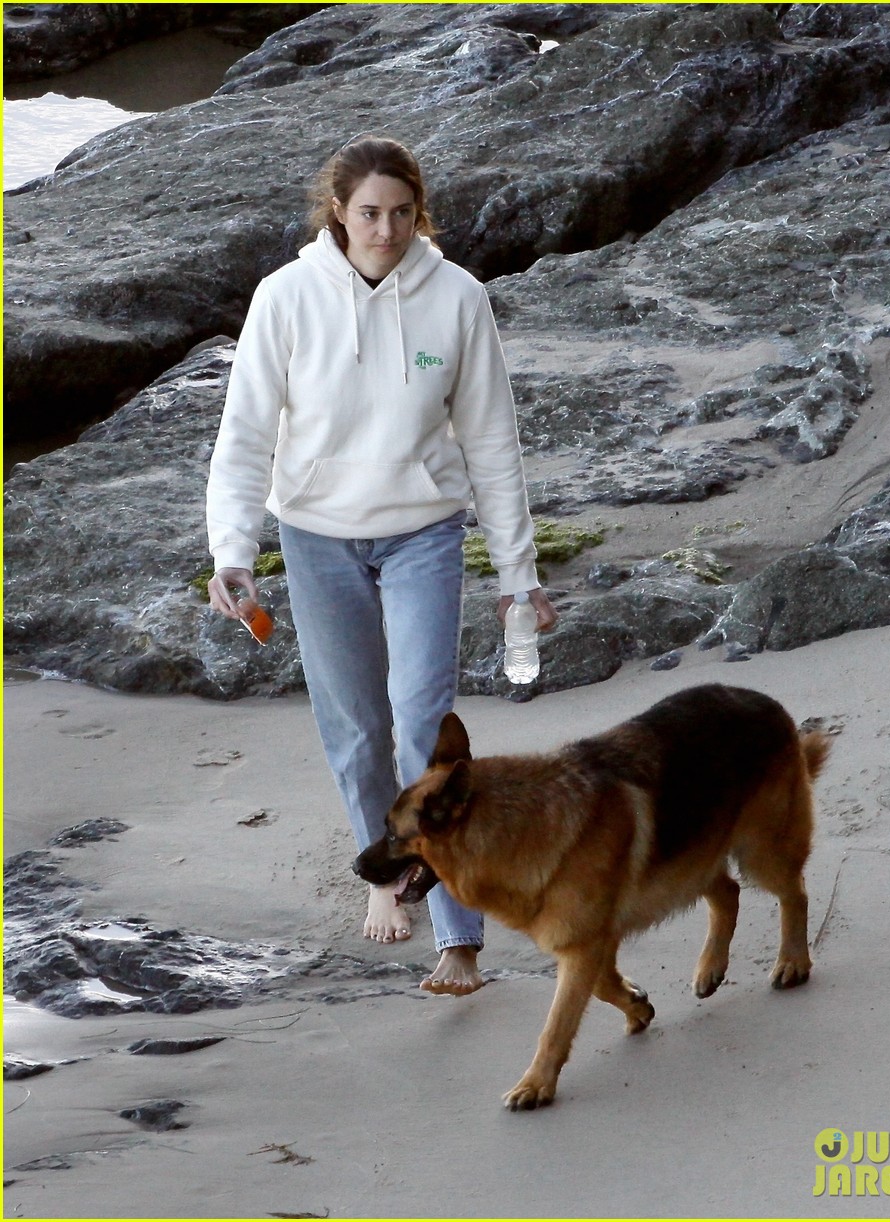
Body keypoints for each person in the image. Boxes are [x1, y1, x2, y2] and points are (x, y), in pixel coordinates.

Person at [205, 135, 557, 996]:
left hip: (423, 533)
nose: (386, 231)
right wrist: (233, 551)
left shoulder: (457, 297)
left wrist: (518, 572)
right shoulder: (285, 297)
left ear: (418, 212)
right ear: (337, 211)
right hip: (315, 536)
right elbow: (245, 432)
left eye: (402, 213)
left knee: (421, 727)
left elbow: (492, 441)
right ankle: (387, 873)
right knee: (357, 730)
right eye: (368, 213)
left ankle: (458, 935)